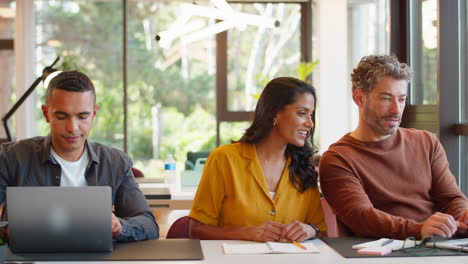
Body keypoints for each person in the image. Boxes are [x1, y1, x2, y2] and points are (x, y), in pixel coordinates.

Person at [319, 54, 468, 240]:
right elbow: (362, 217)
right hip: (386, 252)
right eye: (386, 99)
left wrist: (462, 217)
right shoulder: (338, 159)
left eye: (402, 99)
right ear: (359, 98)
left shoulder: (427, 142)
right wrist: (419, 230)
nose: (396, 110)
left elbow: (452, 199)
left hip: (439, 244)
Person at [0, 70, 159, 241]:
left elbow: (149, 225)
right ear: (46, 114)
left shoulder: (115, 162)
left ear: (94, 113)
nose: (73, 127)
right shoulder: (11, 158)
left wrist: (120, 227)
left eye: (83, 116)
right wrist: (6, 231)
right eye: (62, 116)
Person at [189, 77, 327, 242]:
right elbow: (196, 230)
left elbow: (321, 230)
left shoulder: (305, 168)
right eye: (302, 113)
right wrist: (247, 233)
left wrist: (311, 230)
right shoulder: (224, 159)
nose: (310, 123)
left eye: (311, 115)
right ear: (275, 113)